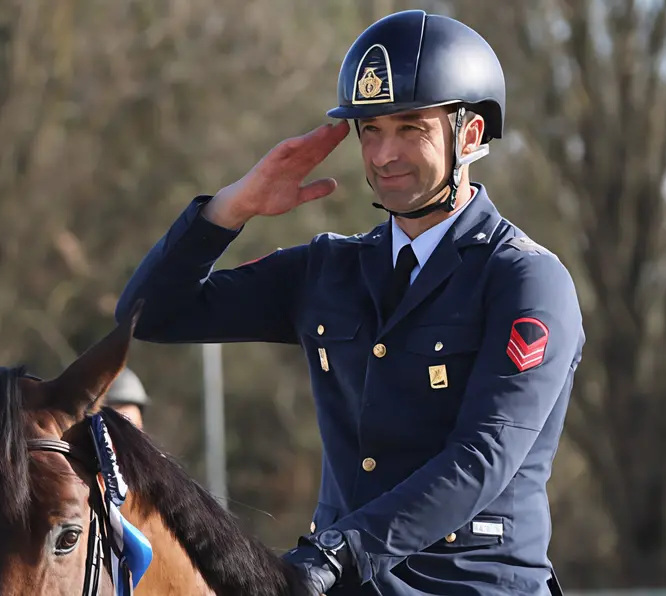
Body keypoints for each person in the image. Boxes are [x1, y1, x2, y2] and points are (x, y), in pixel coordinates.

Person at [116, 9, 584, 596]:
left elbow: (481, 458)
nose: (384, 154)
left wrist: (339, 550)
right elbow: (150, 315)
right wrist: (230, 210)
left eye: (410, 127)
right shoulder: (328, 268)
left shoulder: (525, 280)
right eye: (370, 130)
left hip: (470, 584)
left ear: (469, 134)